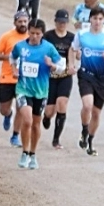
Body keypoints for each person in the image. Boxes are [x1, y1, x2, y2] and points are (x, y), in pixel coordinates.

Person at [9, 19, 63, 168]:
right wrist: (14, 69)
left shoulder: (49, 48)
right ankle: (24, 153)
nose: (34, 36)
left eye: (37, 33)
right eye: (31, 33)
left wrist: (51, 65)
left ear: (42, 34)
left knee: (36, 124)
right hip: (23, 89)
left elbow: (60, 66)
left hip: (41, 91)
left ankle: (33, 154)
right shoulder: (20, 46)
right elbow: (12, 57)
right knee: (27, 120)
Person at [71, 9, 104, 156]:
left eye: (100, 19)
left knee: (96, 112)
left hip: (102, 77)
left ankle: (90, 141)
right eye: (95, 18)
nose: (97, 22)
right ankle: (84, 129)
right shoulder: (82, 34)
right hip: (86, 74)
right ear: (90, 19)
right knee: (87, 105)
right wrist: (72, 63)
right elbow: (73, 49)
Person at [0, 11, 30, 146]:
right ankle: (8, 115)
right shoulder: (7, 37)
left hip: (23, 80)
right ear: (15, 23)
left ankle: (15, 135)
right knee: (3, 109)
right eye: (20, 21)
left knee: (21, 108)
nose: (23, 24)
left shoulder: (31, 37)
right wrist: (9, 57)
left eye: (25, 21)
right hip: (6, 78)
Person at [42, 8, 77, 149]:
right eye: (59, 22)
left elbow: (74, 53)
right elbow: (44, 52)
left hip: (65, 76)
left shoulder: (72, 37)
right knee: (50, 110)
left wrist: (72, 66)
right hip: (51, 76)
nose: (62, 24)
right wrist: (49, 64)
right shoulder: (48, 36)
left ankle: (56, 139)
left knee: (62, 103)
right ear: (55, 21)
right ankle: (46, 117)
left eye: (64, 22)